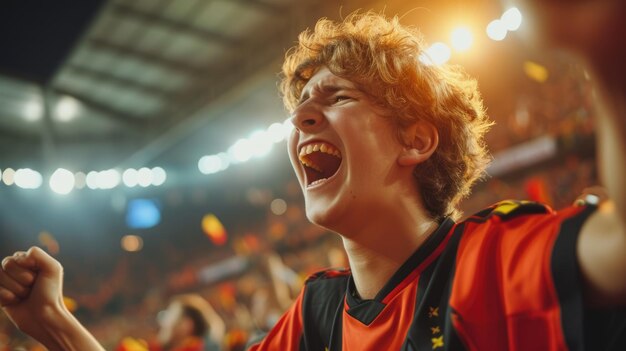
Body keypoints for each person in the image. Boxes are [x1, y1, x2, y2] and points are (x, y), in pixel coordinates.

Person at [1, 1, 625, 350]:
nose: (301, 117)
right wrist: (53, 321)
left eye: (339, 99)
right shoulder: (318, 316)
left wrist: (608, 51)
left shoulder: (489, 261)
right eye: (302, 105)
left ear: (416, 140)